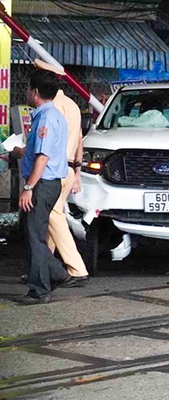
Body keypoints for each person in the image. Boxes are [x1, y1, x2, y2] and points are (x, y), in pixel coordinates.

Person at [14, 70, 70, 304]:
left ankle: (39, 289)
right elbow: (39, 151)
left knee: (35, 236)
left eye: (28, 88)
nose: (27, 92)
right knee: (32, 233)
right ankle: (57, 274)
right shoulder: (54, 115)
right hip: (49, 183)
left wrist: (28, 187)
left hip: (42, 183)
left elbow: (43, 157)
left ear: (35, 92)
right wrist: (20, 153)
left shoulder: (45, 119)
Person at [35, 59, 90, 286]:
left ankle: (76, 268)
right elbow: (79, 141)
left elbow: (47, 146)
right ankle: (43, 267)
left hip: (54, 170)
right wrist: (77, 173)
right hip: (68, 169)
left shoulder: (52, 109)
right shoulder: (73, 105)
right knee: (52, 218)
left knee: (53, 216)